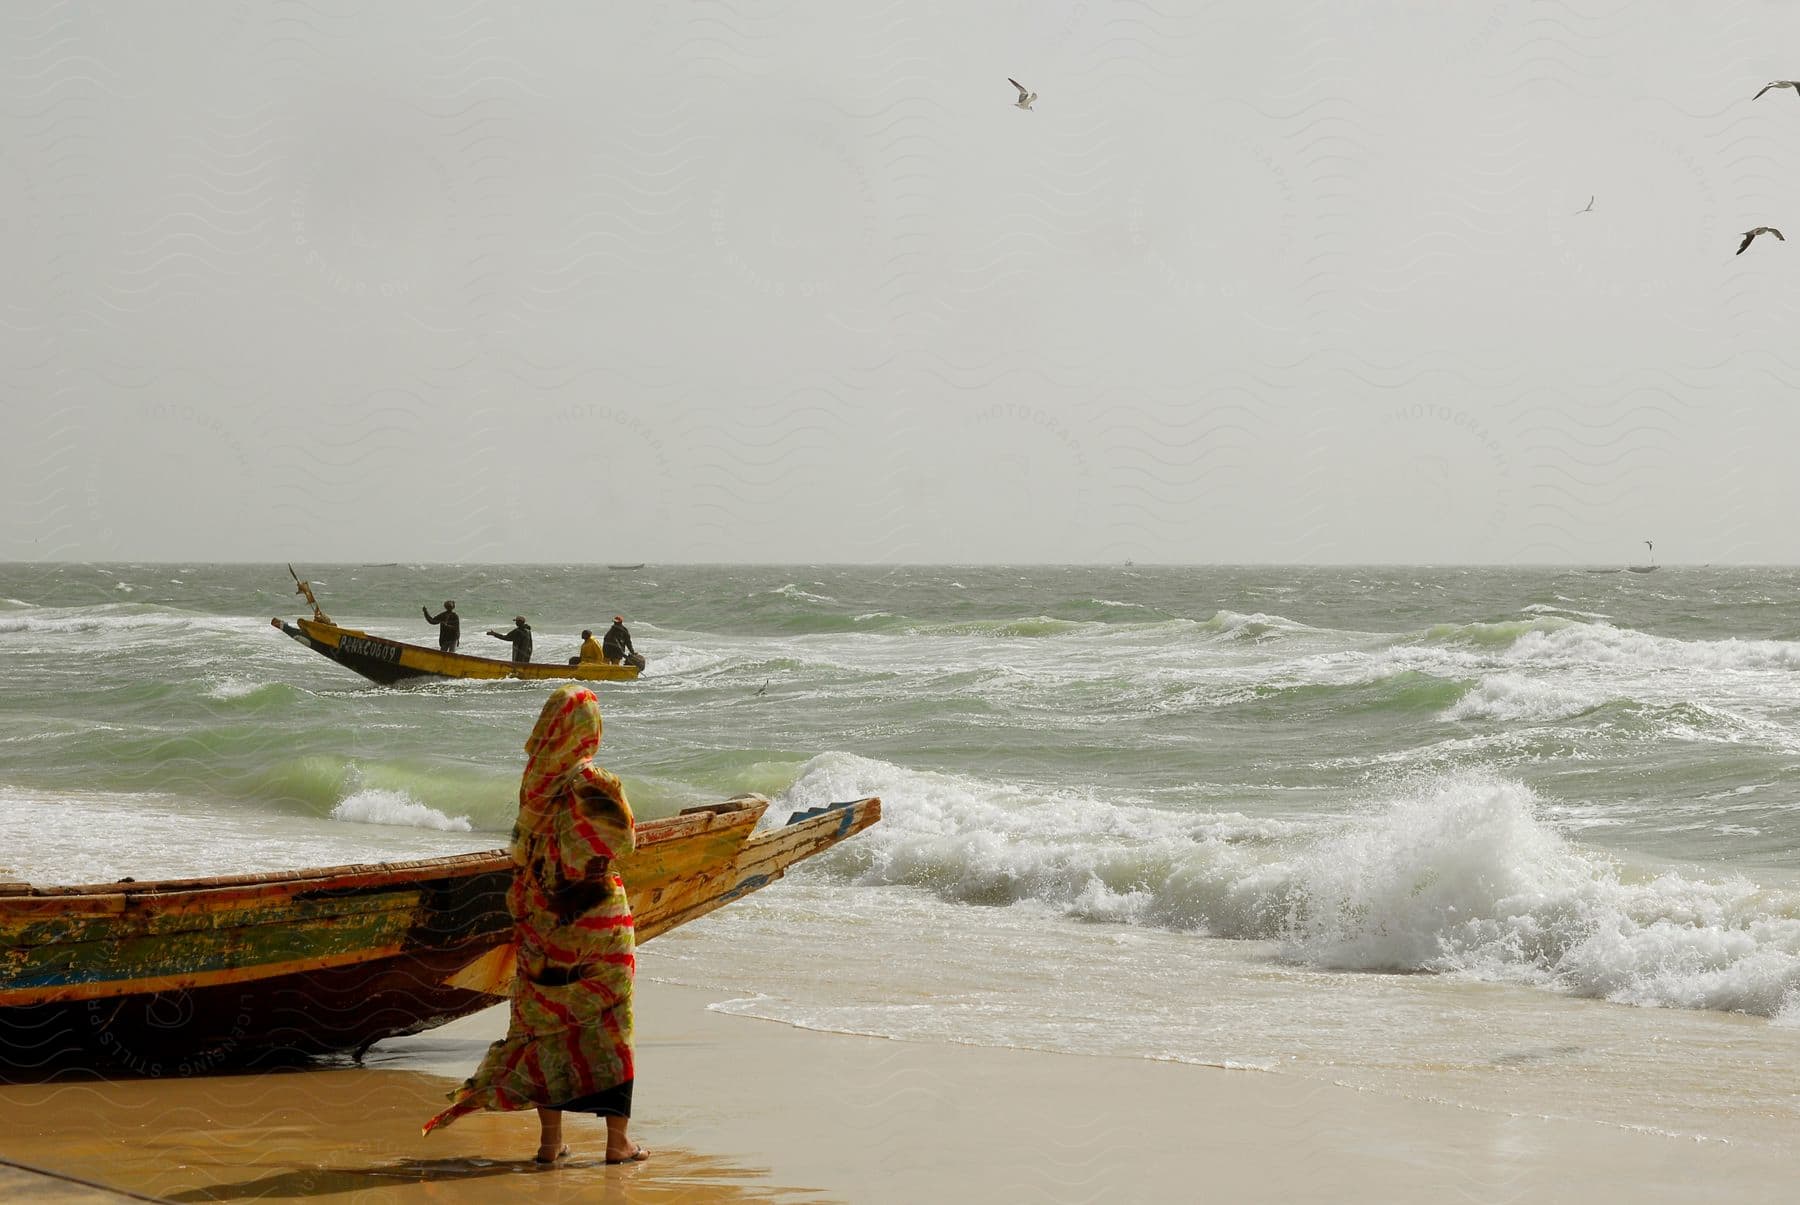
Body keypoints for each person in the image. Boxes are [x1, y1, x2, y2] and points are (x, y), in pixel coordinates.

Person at [421, 685, 648, 1165]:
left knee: (542, 1025)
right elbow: (624, 843)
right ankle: (617, 1143)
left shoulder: (536, 782)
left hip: (542, 920)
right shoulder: (596, 782)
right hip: (597, 923)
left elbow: (523, 849)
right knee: (610, 1021)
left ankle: (549, 1144)